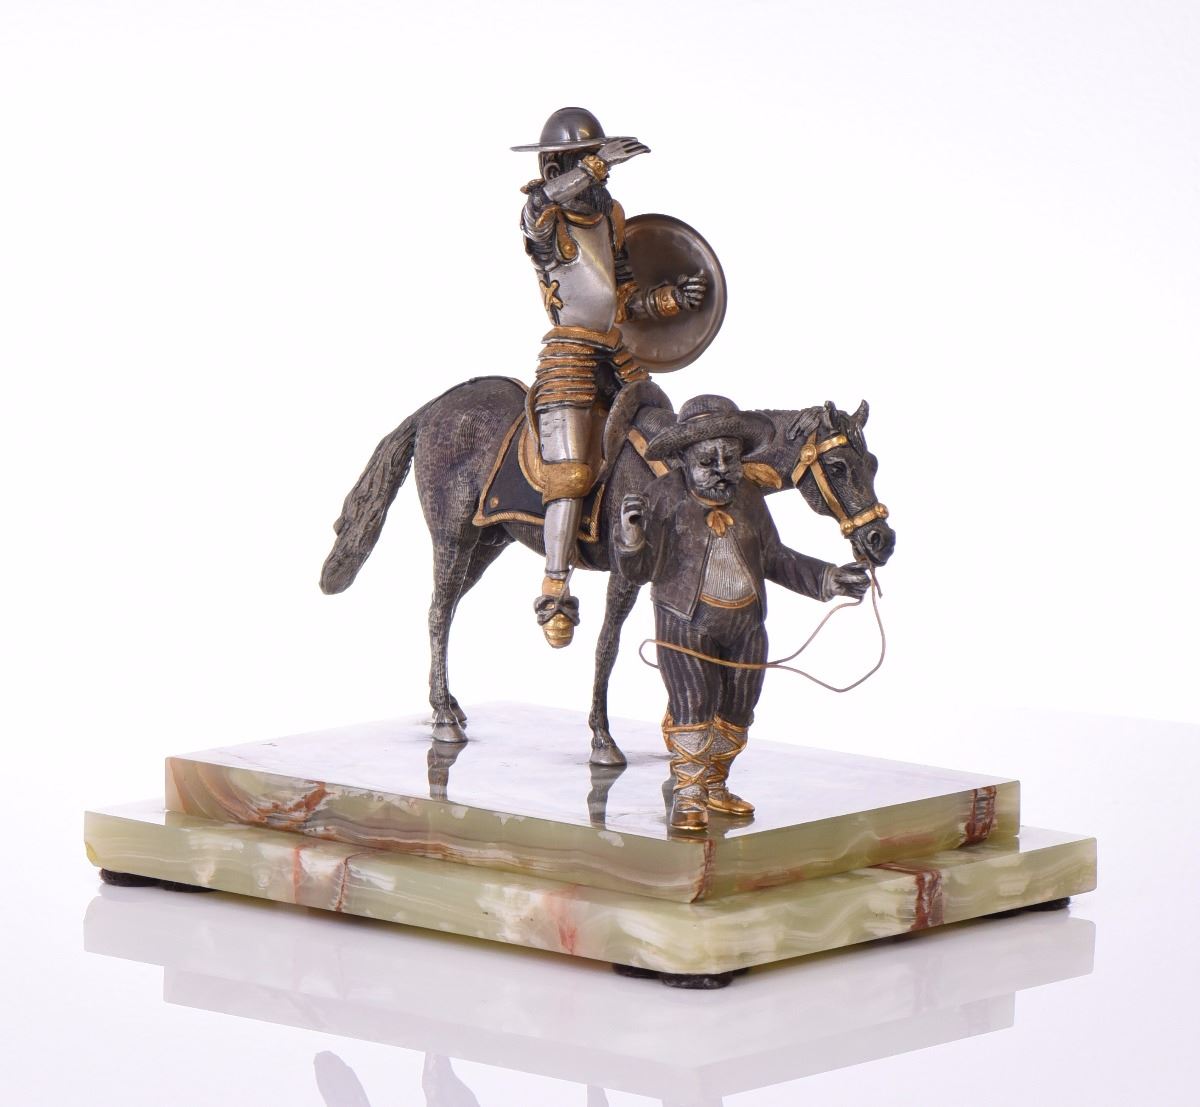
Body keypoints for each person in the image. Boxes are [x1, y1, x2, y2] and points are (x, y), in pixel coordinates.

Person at [613, 395, 870, 831]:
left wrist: (828, 578)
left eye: (730, 459)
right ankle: (688, 794)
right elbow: (639, 572)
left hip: (747, 624)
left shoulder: (748, 496)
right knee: (693, 706)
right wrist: (631, 540)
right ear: (682, 459)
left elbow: (775, 557)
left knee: (738, 710)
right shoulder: (661, 496)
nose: (721, 470)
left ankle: (715, 783)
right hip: (685, 622)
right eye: (707, 461)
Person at [514, 106, 707, 647]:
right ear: (556, 168)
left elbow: (621, 298)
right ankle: (555, 585)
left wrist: (669, 300)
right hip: (570, 355)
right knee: (569, 471)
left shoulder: (612, 215)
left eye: (597, 163)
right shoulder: (543, 217)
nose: (598, 174)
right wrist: (596, 165)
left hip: (617, 354)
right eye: (583, 161)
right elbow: (537, 208)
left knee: (664, 443)